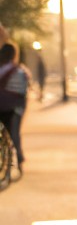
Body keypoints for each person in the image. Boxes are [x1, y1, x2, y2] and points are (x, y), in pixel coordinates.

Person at [0, 41, 30, 171]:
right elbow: (24, 90)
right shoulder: (20, 70)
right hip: (17, 108)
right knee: (15, 133)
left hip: (2, 107)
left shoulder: (1, 69)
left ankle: (6, 159)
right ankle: (18, 158)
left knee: (3, 133)